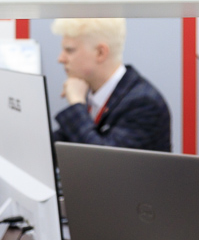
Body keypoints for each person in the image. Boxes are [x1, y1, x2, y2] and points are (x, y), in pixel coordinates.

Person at [50, 17, 171, 152]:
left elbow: (103, 160)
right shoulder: (93, 92)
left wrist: (76, 104)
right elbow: (56, 145)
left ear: (100, 52)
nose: (60, 59)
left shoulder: (144, 103)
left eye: (69, 50)